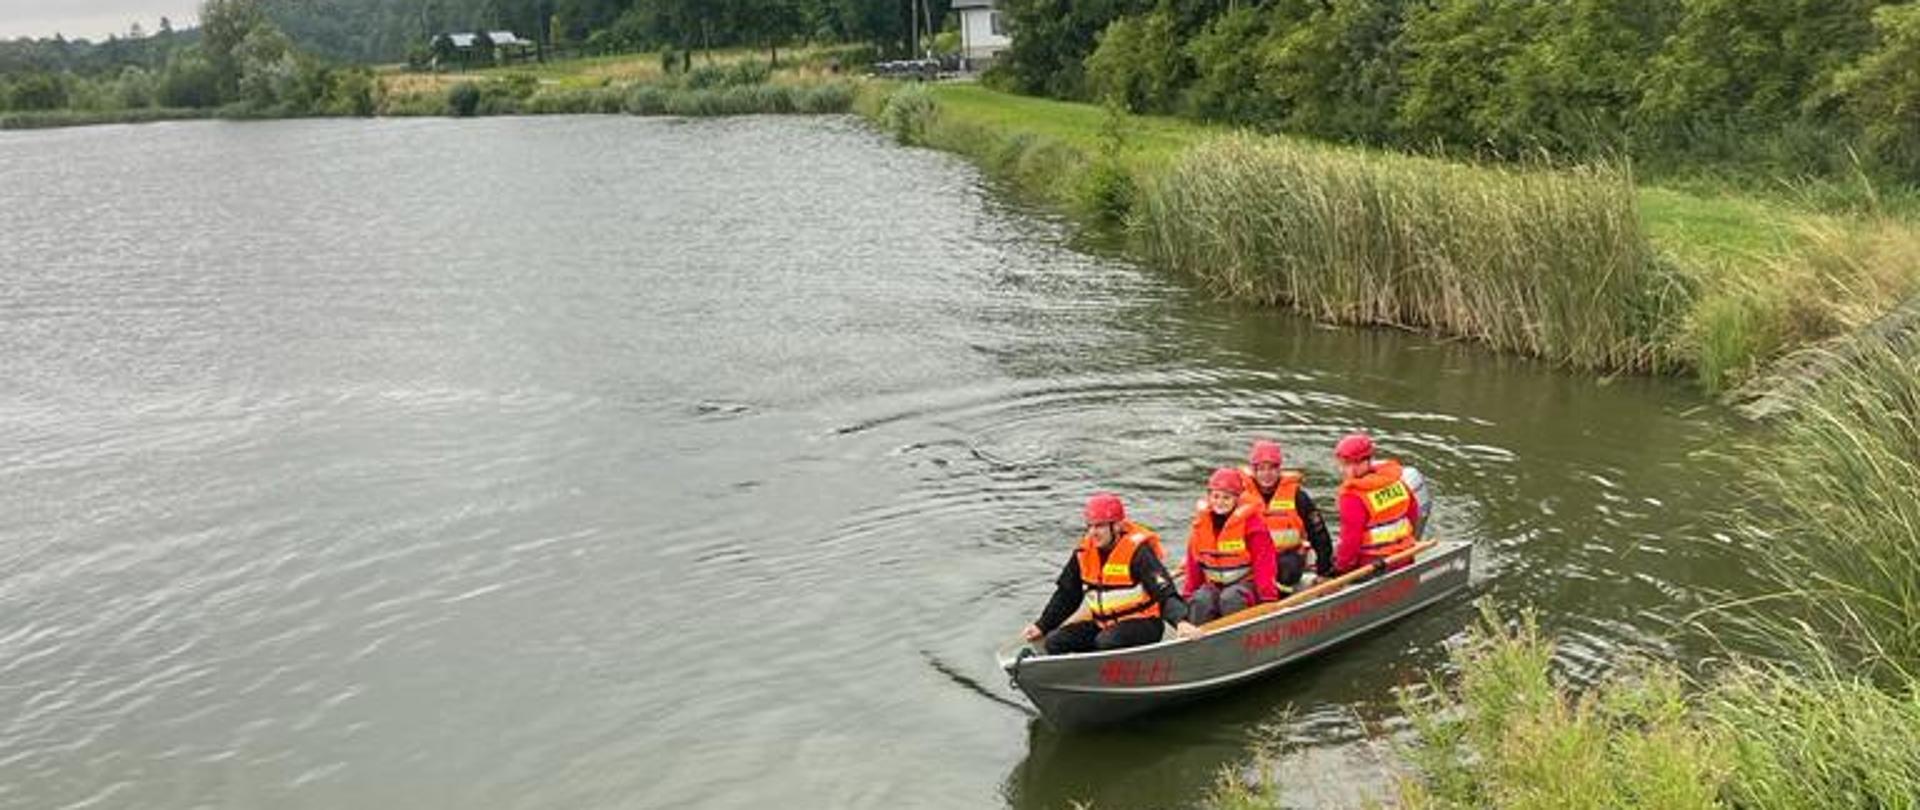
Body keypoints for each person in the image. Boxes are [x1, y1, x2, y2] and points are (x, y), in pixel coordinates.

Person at [1022, 494, 1199, 653]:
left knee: (1106, 641)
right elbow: (1067, 595)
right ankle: (1082, 667)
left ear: (1117, 526)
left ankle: (1108, 666)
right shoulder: (1083, 553)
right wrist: (1042, 626)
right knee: (1055, 641)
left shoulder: (1138, 552)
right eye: (1090, 526)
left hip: (1144, 624)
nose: (1093, 533)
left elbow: (1165, 593)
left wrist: (1180, 622)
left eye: (1099, 526)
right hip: (1103, 624)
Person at [1182, 468, 1279, 623]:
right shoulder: (1200, 525)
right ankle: (1200, 636)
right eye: (1216, 496)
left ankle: (1240, 634)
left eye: (1226, 497)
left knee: (1231, 598)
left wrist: (1268, 599)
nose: (1220, 502)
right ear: (1209, 497)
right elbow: (1194, 564)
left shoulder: (1253, 525)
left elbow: (1264, 564)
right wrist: (1187, 596)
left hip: (1246, 585)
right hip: (1215, 584)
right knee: (1200, 600)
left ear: (1237, 499)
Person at [1239, 439, 1337, 593]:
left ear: (1279, 469)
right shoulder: (1240, 496)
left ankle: (1281, 595)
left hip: (1287, 558)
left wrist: (1324, 572)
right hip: (1253, 558)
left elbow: (1319, 536)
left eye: (1272, 468)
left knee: (1287, 570)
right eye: (1261, 469)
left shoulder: (1298, 497)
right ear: (1254, 471)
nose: (1267, 474)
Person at [1332, 433, 1422, 575]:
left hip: (1372, 564)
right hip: (1404, 556)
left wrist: (1340, 568)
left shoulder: (1353, 496)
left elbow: (1351, 540)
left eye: (1347, 464)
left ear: (1364, 462)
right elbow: (1413, 513)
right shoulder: (1395, 481)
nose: (1343, 470)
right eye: (1342, 464)